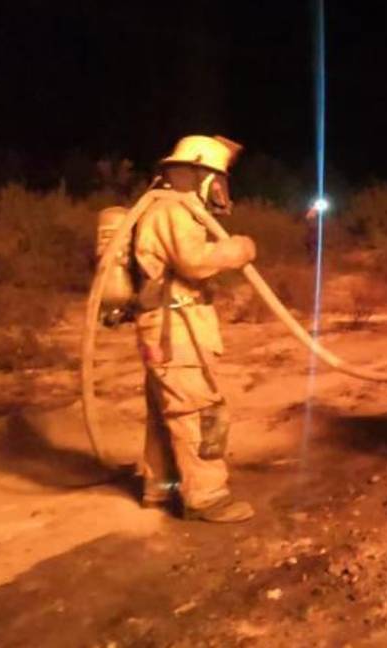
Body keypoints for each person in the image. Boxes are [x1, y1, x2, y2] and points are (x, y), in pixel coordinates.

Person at [132, 135, 258, 522]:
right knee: (197, 408)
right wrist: (237, 250)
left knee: (166, 411)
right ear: (201, 174)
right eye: (217, 178)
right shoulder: (173, 210)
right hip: (177, 329)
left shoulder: (161, 207)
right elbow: (194, 261)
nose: (220, 187)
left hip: (167, 326)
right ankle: (206, 496)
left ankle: (162, 486)